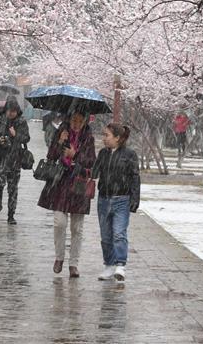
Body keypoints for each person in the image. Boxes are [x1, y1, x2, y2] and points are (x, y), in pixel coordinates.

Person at [37, 110, 96, 278]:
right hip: (60, 182)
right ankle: (59, 257)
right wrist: (59, 142)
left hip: (79, 183)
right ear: (69, 120)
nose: (76, 124)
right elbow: (51, 156)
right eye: (74, 120)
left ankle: (74, 264)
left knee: (77, 227)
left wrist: (75, 155)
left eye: (80, 121)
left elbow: (91, 161)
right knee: (59, 222)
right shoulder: (61, 132)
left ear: (85, 121)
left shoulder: (88, 138)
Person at [92, 123, 140, 283]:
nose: (104, 138)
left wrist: (134, 199)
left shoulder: (129, 154)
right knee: (106, 236)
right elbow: (94, 173)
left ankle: (120, 265)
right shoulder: (103, 153)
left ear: (117, 138)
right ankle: (109, 265)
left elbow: (135, 178)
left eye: (107, 135)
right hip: (104, 200)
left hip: (122, 200)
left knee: (119, 233)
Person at [0, 95, 30, 224]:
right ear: (5, 110)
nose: (11, 113)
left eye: (14, 111)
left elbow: (26, 138)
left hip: (15, 159)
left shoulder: (21, 122)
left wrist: (16, 135)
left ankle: (11, 214)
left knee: (13, 188)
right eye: (9, 110)